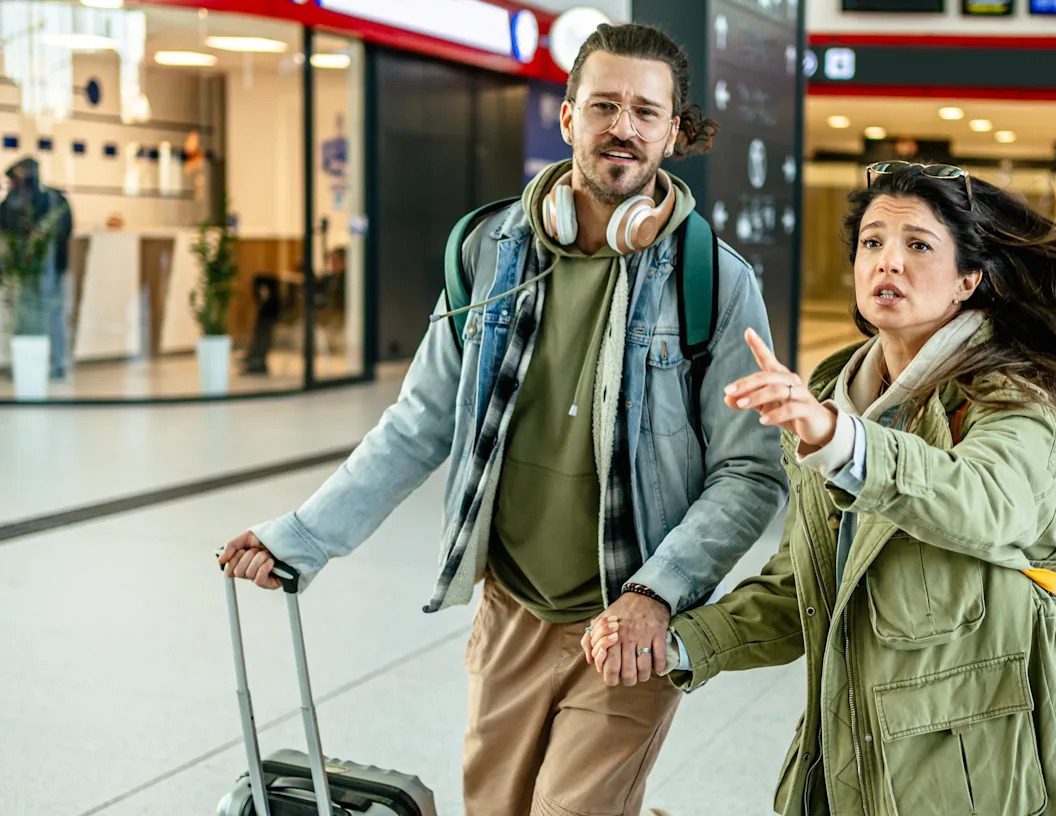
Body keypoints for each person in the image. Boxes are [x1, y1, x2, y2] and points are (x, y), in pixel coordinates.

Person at [218, 23, 785, 816]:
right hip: (510, 605)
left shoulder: (714, 281)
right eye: (604, 105)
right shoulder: (489, 250)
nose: (623, 126)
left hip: (627, 619)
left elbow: (751, 472)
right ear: (567, 116)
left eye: (645, 113)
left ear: (674, 132)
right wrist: (303, 537)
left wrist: (658, 594)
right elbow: (420, 422)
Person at [587, 161, 1056, 814]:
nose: (886, 262)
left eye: (917, 245)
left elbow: (984, 498)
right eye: (872, 242)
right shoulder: (826, 395)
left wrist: (842, 441)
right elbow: (800, 589)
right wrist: (677, 642)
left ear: (968, 279)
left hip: (983, 779)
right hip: (849, 764)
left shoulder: (1013, 400)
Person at [0, 157, 73, 379]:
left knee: (49, 314)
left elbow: (64, 231)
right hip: (21, 273)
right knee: (22, 316)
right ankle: (27, 364)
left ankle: (55, 363)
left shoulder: (53, 200)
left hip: (48, 270)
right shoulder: (11, 204)